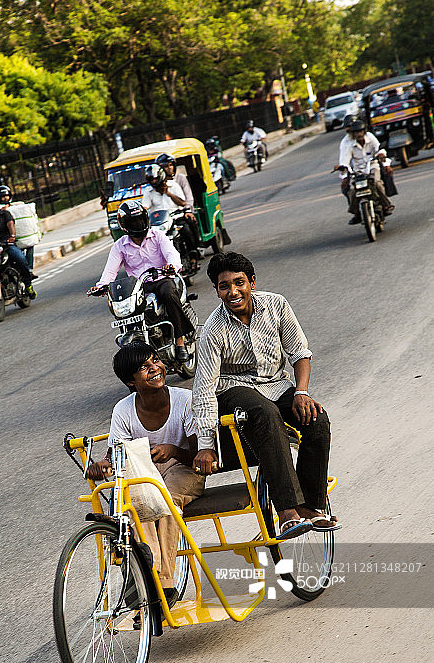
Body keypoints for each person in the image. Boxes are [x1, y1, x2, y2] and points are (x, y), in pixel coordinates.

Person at [192, 251, 339, 541]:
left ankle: (312, 507)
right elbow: (204, 389)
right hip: (234, 390)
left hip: (276, 384)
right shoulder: (212, 330)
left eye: (239, 282)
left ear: (252, 282)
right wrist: (205, 444)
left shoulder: (276, 304)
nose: (233, 292)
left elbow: (299, 352)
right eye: (224, 286)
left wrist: (301, 392)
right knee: (265, 413)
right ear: (217, 291)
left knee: (318, 420)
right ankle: (287, 513)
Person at [86, 342, 205, 607]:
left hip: (185, 471)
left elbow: (198, 457)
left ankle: (163, 582)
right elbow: (116, 456)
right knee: (136, 504)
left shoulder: (184, 401)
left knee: (164, 501)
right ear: (131, 381)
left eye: (155, 360)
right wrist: (103, 466)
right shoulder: (123, 410)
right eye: (144, 367)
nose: (155, 368)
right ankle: (144, 569)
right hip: (146, 474)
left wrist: (173, 450)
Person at [87, 200, 193, 362]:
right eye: (133, 221)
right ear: (124, 225)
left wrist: (172, 266)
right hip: (139, 286)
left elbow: (171, 253)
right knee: (126, 310)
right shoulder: (119, 246)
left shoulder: (158, 236)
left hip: (162, 279)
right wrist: (101, 287)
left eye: (140, 220)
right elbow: (110, 271)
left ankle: (180, 342)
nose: (138, 224)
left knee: (168, 294)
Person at [142, 164, 200, 273]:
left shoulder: (173, 185)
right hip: (159, 223)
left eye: (155, 179)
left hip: (176, 217)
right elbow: (145, 206)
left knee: (187, 230)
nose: (154, 182)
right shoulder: (148, 191)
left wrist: (168, 193)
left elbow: (182, 203)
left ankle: (193, 257)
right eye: (151, 180)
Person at [338, 119, 394, 224]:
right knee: (352, 190)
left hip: (372, 167)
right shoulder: (348, 144)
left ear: (364, 131)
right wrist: (342, 168)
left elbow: (379, 149)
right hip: (358, 171)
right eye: (356, 132)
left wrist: (381, 156)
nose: (358, 134)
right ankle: (356, 213)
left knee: (377, 183)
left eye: (360, 131)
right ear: (352, 134)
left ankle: (386, 204)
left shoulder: (370, 137)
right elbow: (345, 160)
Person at [0, 184, 41, 274]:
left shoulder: (17, 206)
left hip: (18, 235)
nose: (5, 198)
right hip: (5, 239)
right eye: (2, 197)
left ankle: (29, 270)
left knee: (30, 246)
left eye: (6, 196)